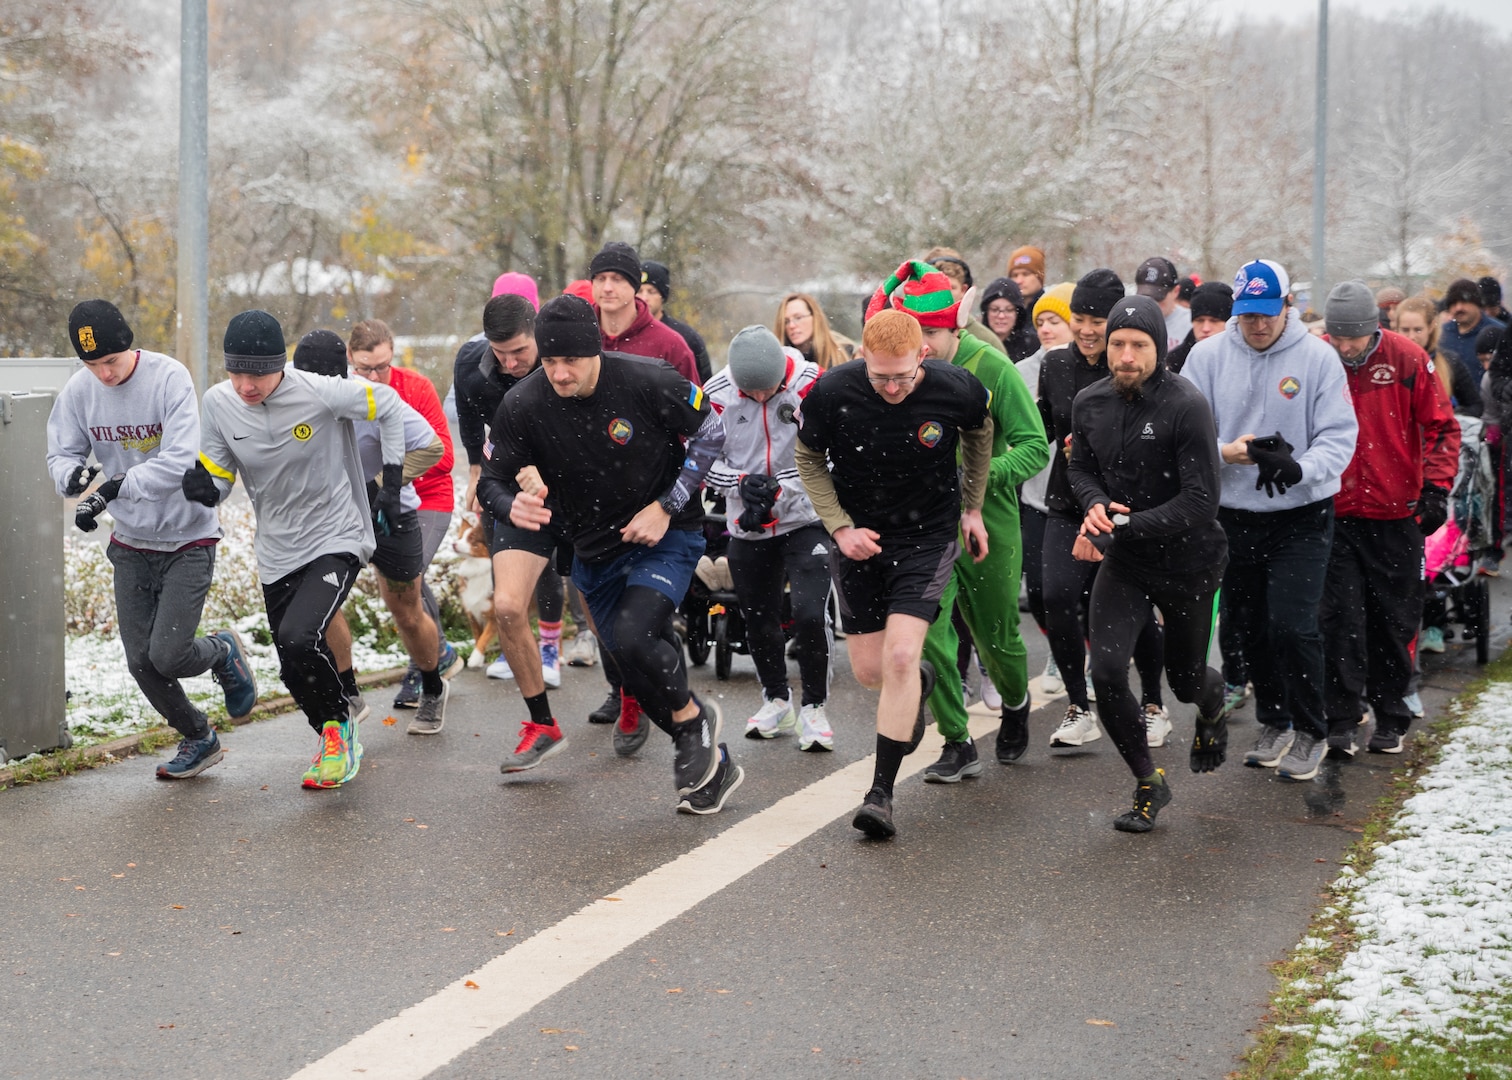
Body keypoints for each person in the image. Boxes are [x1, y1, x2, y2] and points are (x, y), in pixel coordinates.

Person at [478, 295, 743, 815]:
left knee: (632, 633)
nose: (558, 372)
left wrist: (668, 505)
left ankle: (691, 725)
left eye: (569, 360)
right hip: (592, 550)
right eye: (550, 361)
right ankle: (712, 752)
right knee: (635, 672)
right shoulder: (524, 404)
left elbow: (713, 431)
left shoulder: (649, 380)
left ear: (595, 348)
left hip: (662, 535)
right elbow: (491, 478)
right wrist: (512, 506)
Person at [183, 309, 408, 789]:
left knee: (299, 636)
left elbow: (387, 404)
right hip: (278, 547)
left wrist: (392, 483)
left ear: (279, 365)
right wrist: (207, 487)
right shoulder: (219, 403)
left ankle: (338, 734)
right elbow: (219, 473)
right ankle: (331, 729)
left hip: (336, 534)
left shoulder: (316, 390)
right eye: (236, 371)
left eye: (258, 373)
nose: (246, 385)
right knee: (291, 666)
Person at [794, 309, 993, 839]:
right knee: (871, 674)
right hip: (858, 537)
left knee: (902, 654)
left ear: (922, 356)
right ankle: (919, 684)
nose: (891, 388)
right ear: (862, 356)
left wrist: (971, 508)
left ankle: (879, 795)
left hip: (927, 536)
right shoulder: (832, 393)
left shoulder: (958, 390)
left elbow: (979, 435)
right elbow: (808, 459)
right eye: (880, 376)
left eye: (902, 377)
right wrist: (839, 529)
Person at [46, 299, 256, 780]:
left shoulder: (168, 377)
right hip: (132, 542)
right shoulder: (81, 390)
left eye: (111, 362)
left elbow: (182, 458)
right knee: (141, 661)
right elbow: (59, 451)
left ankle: (223, 650)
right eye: (93, 365)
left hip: (188, 539)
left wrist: (118, 487)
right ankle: (199, 736)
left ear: (130, 347)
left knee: (169, 655)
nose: (104, 374)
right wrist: (73, 476)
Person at [864, 260, 1048, 779]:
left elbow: (1034, 447)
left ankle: (1014, 703)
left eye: (930, 334)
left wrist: (978, 479)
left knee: (998, 636)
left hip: (990, 519)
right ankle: (956, 739)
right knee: (933, 637)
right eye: (910, 333)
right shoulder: (897, 372)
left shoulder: (990, 366)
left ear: (955, 327)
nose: (918, 344)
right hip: (924, 527)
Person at [1179, 260, 1359, 777]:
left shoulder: (1317, 358)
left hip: (1301, 513)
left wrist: (1298, 467)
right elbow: (1182, 432)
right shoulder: (1208, 356)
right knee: (1248, 625)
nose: (1257, 326)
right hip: (1233, 512)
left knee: (1293, 624)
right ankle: (1274, 719)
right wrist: (1224, 453)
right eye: (1247, 315)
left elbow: (1339, 436)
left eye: (1267, 314)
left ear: (1288, 308)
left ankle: (1311, 730)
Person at [1068, 296, 1230, 831]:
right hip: (1128, 562)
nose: (1127, 356)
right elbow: (1081, 468)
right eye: (1118, 344)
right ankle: (1147, 781)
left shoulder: (1186, 405)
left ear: (1159, 349)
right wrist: (1093, 502)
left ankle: (1211, 708)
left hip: (1189, 562)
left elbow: (1201, 500)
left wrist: (1129, 523)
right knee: (1108, 671)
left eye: (1140, 345)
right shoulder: (1089, 402)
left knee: (1185, 682)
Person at [1318, 281, 1459, 760]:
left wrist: (1435, 490)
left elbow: (1442, 427)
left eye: (1353, 339)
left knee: (1393, 619)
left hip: (1395, 513)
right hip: (1334, 511)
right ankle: (1340, 715)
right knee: (1338, 618)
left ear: (1373, 329)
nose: (1345, 347)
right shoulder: (1320, 358)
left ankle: (1391, 712)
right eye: (1337, 337)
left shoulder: (1405, 359)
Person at [290, 330, 451, 736]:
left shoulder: (370, 395)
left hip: (388, 518)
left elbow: (431, 448)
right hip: (332, 521)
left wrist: (379, 486)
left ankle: (433, 685)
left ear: (343, 375)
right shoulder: (287, 393)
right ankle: (348, 692)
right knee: (323, 607)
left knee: (408, 613)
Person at [1037, 269, 1169, 749]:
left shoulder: (1133, 363)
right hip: (1067, 500)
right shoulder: (1055, 367)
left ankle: (1153, 703)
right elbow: (1040, 433)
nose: (1088, 329)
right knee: (1055, 597)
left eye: (1098, 320)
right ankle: (1078, 705)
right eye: (1080, 318)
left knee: (1134, 609)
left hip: (1126, 507)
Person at [703, 326, 834, 749]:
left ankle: (814, 708)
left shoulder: (811, 384)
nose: (760, 398)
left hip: (805, 518)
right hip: (748, 522)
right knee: (759, 619)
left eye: (769, 391)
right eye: (751, 392)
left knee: (810, 614)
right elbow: (701, 461)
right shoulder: (717, 393)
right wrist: (740, 484)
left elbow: (831, 454)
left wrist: (781, 486)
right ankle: (777, 699)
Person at [452, 290, 573, 687]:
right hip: (505, 468)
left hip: (562, 468)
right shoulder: (471, 363)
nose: (511, 362)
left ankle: (551, 647)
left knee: (547, 561)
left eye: (519, 350)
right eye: (500, 352)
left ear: (536, 333)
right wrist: (474, 469)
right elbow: (469, 415)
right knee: (505, 554)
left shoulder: (561, 362)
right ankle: (513, 644)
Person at [345, 319, 463, 712]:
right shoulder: (346, 391)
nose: (376, 375)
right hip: (374, 502)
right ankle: (439, 655)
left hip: (427, 497)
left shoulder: (414, 387)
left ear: (392, 354)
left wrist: (387, 481)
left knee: (410, 576)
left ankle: (423, 667)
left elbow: (443, 455)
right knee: (402, 591)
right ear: (350, 359)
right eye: (365, 367)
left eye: (382, 366)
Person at [1017, 283, 1076, 696]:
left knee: (1079, 590)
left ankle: (1082, 652)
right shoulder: (1021, 371)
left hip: (1081, 498)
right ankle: (1060, 645)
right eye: (1040, 322)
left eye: (1055, 320)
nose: (1046, 329)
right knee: (1038, 590)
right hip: (1036, 496)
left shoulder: (1091, 368)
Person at [589, 241, 700, 385]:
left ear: (634, 285)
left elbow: (695, 405)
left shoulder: (670, 345)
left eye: (617, 279)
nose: (607, 287)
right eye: (600, 279)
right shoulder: (575, 334)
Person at [1397, 295, 1479, 413]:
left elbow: (1475, 405)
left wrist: (1448, 417)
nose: (1411, 337)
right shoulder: (1388, 364)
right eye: (1405, 330)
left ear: (1430, 327)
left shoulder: (1449, 362)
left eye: (1418, 330)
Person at [638, 260, 713, 384]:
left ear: (662, 296)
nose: (644, 298)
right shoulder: (624, 333)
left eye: (652, 292)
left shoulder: (687, 337)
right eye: (639, 291)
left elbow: (706, 385)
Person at [922, 246, 1002, 352]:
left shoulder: (986, 341)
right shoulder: (909, 332)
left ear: (963, 290)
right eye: (935, 288)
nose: (943, 296)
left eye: (951, 288)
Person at [1439, 277, 1504, 391]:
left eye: (1464, 302)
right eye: (1453, 303)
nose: (1459, 308)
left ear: (1477, 303)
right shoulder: (1442, 334)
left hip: (1490, 402)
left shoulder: (1498, 333)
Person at [774, 291, 854, 371]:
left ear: (815, 318)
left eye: (798, 318)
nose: (791, 326)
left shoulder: (844, 355)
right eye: (786, 321)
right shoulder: (779, 363)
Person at [1167, 280, 1233, 375]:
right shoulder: (1174, 362)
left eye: (1214, 321)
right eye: (1199, 320)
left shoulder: (1243, 357)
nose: (1205, 328)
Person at [1133, 256, 1190, 349]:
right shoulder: (1131, 320)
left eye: (1158, 298)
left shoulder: (1190, 324)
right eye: (1145, 297)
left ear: (1176, 291)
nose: (1152, 303)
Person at [979, 276, 1039, 362]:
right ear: (986, 312)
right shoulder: (975, 342)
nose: (1001, 316)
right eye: (995, 309)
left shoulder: (1033, 345)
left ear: (1018, 314)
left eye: (1009, 310)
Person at [1006, 245, 1046, 311]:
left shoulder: (1052, 310)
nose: (1019, 281)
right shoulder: (1004, 314)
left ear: (1039, 277)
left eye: (1025, 274)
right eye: (1015, 275)